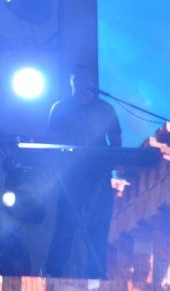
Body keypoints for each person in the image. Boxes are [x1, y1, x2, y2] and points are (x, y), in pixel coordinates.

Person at [44, 64, 122, 279]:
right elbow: (52, 141)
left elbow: (116, 140)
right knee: (65, 223)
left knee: (99, 224)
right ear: (71, 83)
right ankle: (53, 274)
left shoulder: (105, 108)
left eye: (84, 78)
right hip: (71, 174)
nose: (80, 82)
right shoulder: (60, 108)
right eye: (76, 78)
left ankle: (96, 276)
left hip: (98, 174)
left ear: (90, 82)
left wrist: (111, 160)